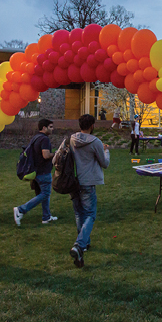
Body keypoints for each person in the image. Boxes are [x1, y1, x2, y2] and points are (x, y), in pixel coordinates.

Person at [69, 114, 110, 268]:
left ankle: (84, 244)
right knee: (90, 215)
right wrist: (106, 151)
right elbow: (104, 163)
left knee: (80, 214)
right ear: (92, 125)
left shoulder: (72, 139)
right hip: (88, 182)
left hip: (74, 181)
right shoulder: (96, 142)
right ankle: (79, 244)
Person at [14, 118, 58, 225]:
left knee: (44, 194)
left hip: (36, 171)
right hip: (43, 171)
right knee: (45, 193)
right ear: (44, 127)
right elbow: (46, 155)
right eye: (50, 127)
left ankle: (46, 217)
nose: (52, 129)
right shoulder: (44, 139)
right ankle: (21, 210)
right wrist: (56, 154)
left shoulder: (36, 138)